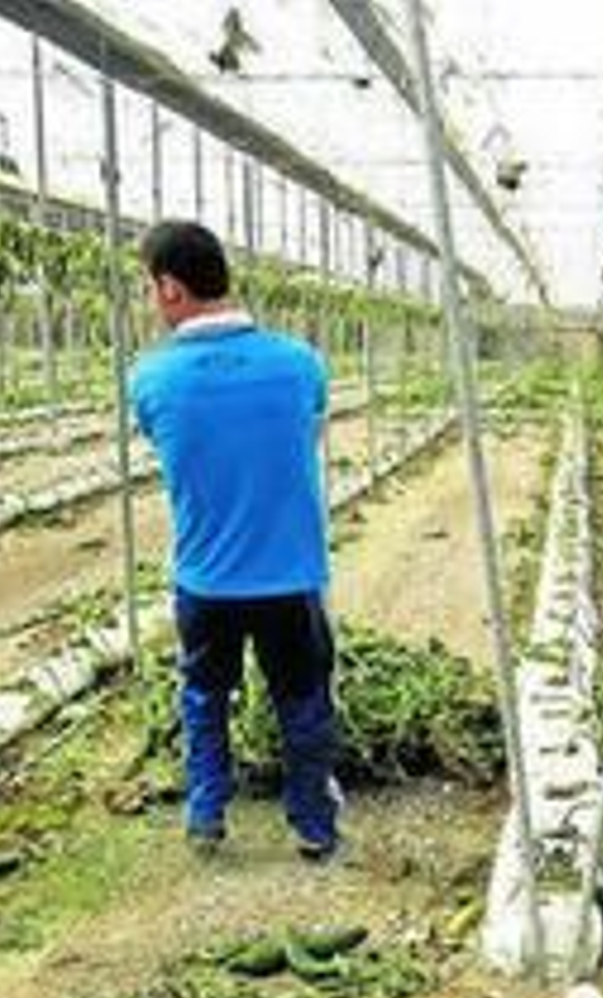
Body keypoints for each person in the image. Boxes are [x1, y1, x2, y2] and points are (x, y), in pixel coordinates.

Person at [130, 220, 341, 861]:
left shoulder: (150, 379)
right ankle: (311, 824)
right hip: (290, 574)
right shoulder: (301, 364)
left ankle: (206, 813)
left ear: (170, 288)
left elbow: (171, 448)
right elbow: (305, 437)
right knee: (302, 701)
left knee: (204, 696)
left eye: (148, 288)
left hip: (206, 577)